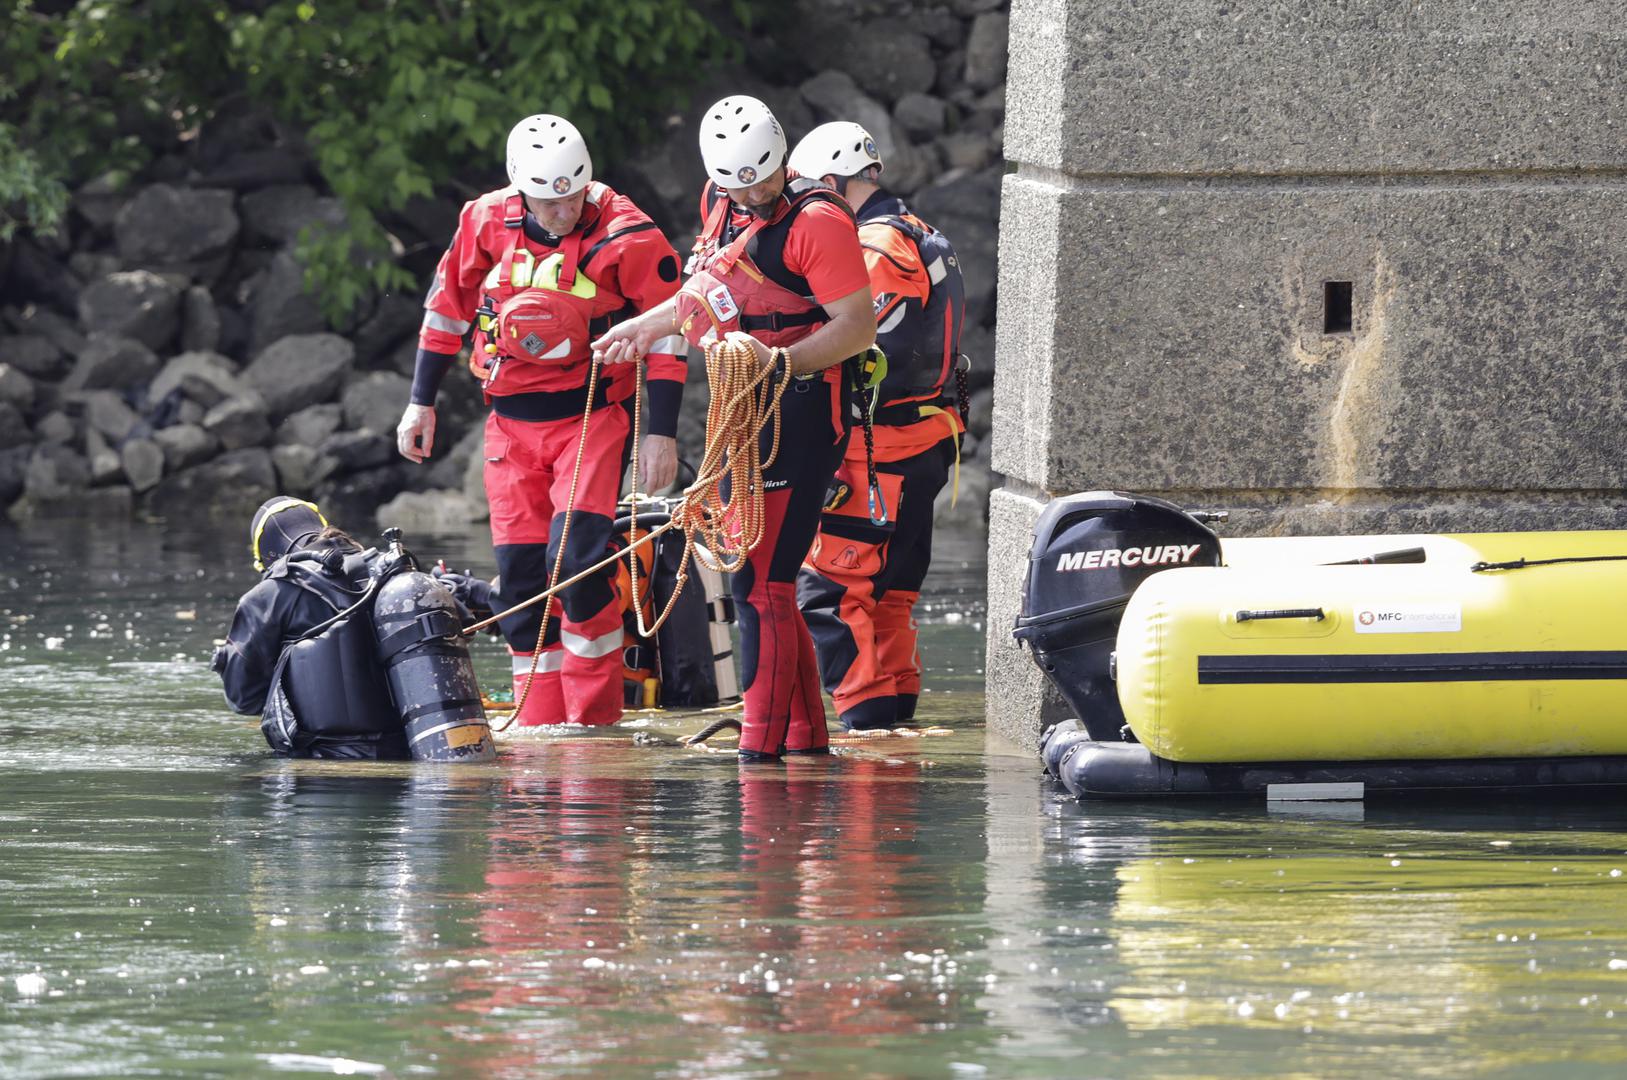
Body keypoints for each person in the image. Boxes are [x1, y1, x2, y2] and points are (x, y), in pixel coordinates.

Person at [592, 96, 877, 763]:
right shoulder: (720, 201)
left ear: (782, 159)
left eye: (762, 178)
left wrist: (779, 364)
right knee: (763, 579)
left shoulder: (817, 221)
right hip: (743, 404)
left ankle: (760, 749)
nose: (752, 192)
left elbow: (855, 327)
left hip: (801, 404)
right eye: (737, 183)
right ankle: (804, 739)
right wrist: (644, 325)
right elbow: (707, 290)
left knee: (762, 584)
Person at [394, 114, 688, 727]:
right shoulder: (484, 220)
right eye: (548, 202)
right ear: (519, 188)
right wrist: (420, 402)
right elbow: (447, 310)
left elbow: (669, 338)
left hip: (590, 420)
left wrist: (660, 433)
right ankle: (539, 723)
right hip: (508, 427)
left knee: (576, 568)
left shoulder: (630, 236)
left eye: (573, 197)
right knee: (523, 585)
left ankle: (592, 722)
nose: (561, 212)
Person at [787, 122, 967, 731]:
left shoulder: (874, 246)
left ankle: (865, 737)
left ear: (834, 185)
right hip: (925, 443)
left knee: (829, 594)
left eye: (814, 194)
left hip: (880, 449)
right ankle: (893, 735)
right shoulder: (923, 234)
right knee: (887, 597)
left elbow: (864, 350)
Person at [213, 497, 409, 759]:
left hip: (322, 767)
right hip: (414, 747)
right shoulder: (390, 570)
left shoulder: (269, 594)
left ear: (268, 557)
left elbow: (242, 698)